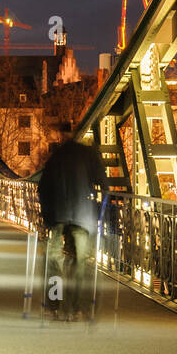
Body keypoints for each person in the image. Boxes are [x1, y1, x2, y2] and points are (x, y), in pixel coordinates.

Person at [36, 121, 107, 321]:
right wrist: (99, 210)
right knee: (81, 263)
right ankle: (76, 308)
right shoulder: (89, 155)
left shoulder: (54, 158)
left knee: (53, 261)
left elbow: (42, 190)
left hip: (58, 216)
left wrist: (47, 217)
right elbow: (105, 184)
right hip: (83, 217)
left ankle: (54, 305)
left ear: (60, 136)